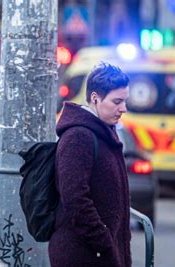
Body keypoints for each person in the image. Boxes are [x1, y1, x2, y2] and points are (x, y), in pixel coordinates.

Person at [49, 62, 131, 267]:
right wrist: (104, 243)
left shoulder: (103, 131)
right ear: (95, 98)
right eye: (117, 101)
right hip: (83, 254)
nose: (123, 109)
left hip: (97, 253)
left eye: (125, 101)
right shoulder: (79, 136)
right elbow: (75, 199)